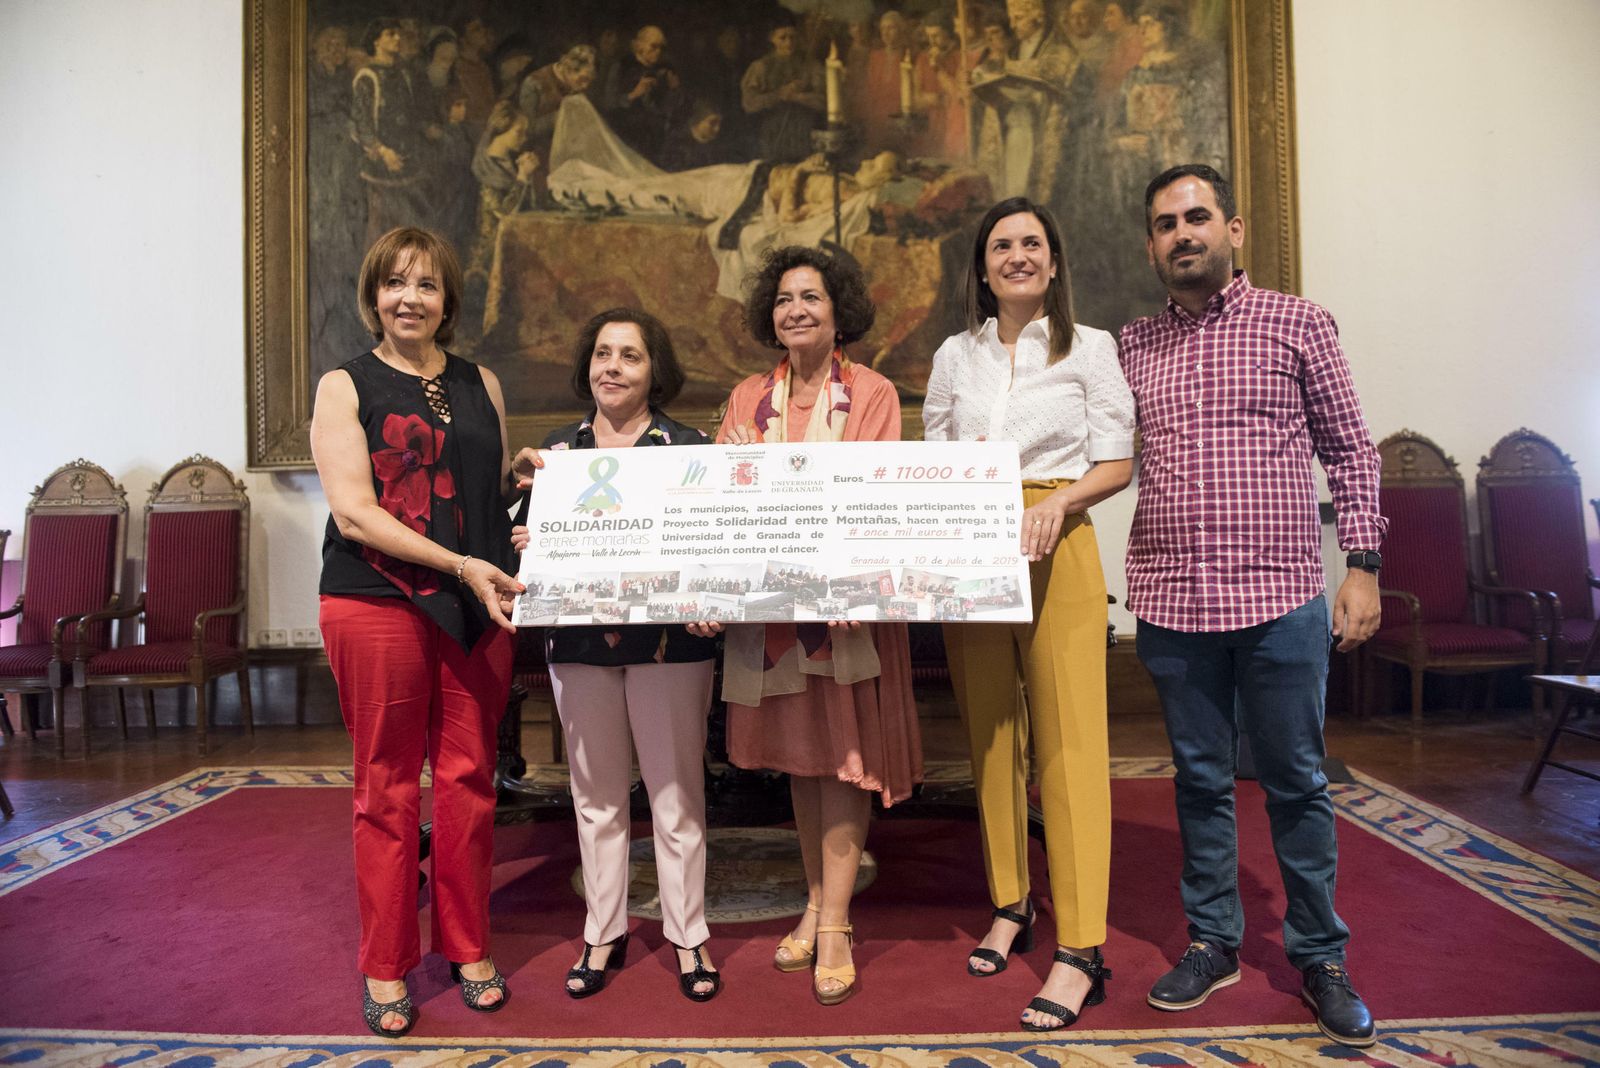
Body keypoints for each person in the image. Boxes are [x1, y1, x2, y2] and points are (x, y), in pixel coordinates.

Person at [1119, 164, 1384, 1048]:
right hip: (1171, 600)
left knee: (1297, 784)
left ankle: (1320, 955)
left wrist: (1364, 567)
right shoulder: (1131, 346)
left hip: (1278, 600)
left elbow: (1352, 450)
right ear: (1151, 244)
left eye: (1197, 217)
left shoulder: (1297, 323)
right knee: (1198, 783)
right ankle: (1214, 942)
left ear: (1234, 230)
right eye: (1165, 223)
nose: (1181, 233)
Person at [690, 246, 923, 1006]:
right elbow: (726, 500)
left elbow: (872, 500)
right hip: (773, 617)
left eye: (812, 298)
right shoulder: (747, 396)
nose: (797, 310)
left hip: (844, 610)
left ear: (837, 309)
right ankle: (818, 903)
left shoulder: (877, 392)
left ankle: (836, 926)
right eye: (785, 298)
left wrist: (842, 576)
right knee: (801, 758)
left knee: (844, 757)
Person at [922, 198, 1134, 1031]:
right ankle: (1012, 903)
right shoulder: (954, 355)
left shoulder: (1092, 348)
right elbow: (937, 453)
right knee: (992, 735)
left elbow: (1116, 459)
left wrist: (1060, 502)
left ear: (1052, 262)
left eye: (1031, 244)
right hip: (971, 543)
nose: (1016, 256)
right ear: (982, 268)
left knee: (1070, 743)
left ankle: (1081, 949)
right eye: (1001, 245)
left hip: (1060, 538)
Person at [311, 227, 525, 1037]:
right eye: (396, 283)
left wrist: (532, 501)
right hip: (376, 601)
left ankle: (469, 948)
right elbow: (355, 513)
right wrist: (461, 561)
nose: (411, 298)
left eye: (427, 285)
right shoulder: (345, 384)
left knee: (470, 782)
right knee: (388, 788)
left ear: (447, 302)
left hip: (475, 607)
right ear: (373, 296)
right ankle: (386, 964)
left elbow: (490, 495)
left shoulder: (482, 384)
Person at [508, 309, 723, 1003]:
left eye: (630, 356)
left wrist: (712, 596)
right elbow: (521, 541)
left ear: (653, 369)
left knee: (673, 795)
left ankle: (689, 934)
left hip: (670, 646)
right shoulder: (553, 456)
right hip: (577, 642)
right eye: (603, 353)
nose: (613, 367)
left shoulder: (690, 448)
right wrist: (524, 539)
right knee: (596, 799)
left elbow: (717, 545)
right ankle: (604, 930)